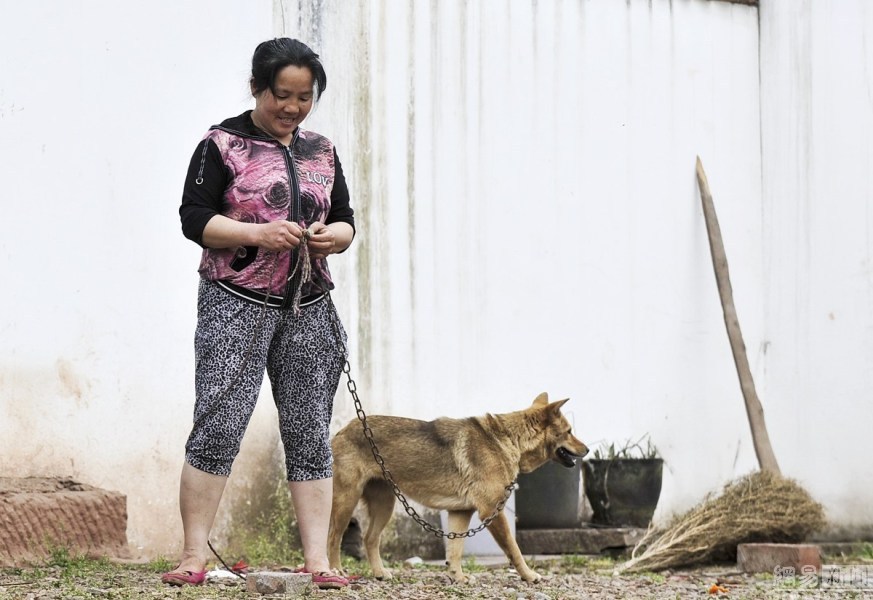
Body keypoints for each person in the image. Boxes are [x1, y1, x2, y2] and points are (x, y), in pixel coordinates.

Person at [163, 38, 355, 590]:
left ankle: (319, 562)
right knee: (218, 424)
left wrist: (330, 238)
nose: (292, 108)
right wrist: (258, 233)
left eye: (303, 97)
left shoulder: (322, 150)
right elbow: (194, 218)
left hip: (309, 305)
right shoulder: (220, 144)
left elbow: (345, 219)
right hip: (235, 302)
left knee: (309, 430)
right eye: (281, 95)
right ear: (256, 88)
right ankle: (193, 554)